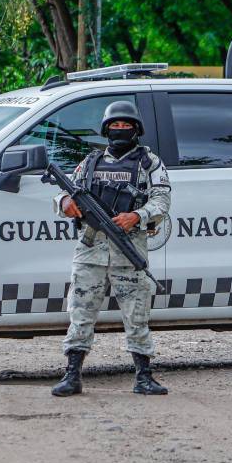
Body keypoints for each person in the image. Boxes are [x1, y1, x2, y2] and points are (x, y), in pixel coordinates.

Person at [52, 100, 172, 397]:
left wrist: (137, 215)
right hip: (90, 249)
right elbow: (65, 193)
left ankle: (144, 377)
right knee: (80, 311)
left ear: (135, 129)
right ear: (106, 130)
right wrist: (64, 203)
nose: (120, 130)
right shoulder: (90, 162)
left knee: (137, 315)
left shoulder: (149, 163)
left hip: (129, 248)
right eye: (115, 126)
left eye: (125, 126)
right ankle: (72, 375)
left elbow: (162, 201)